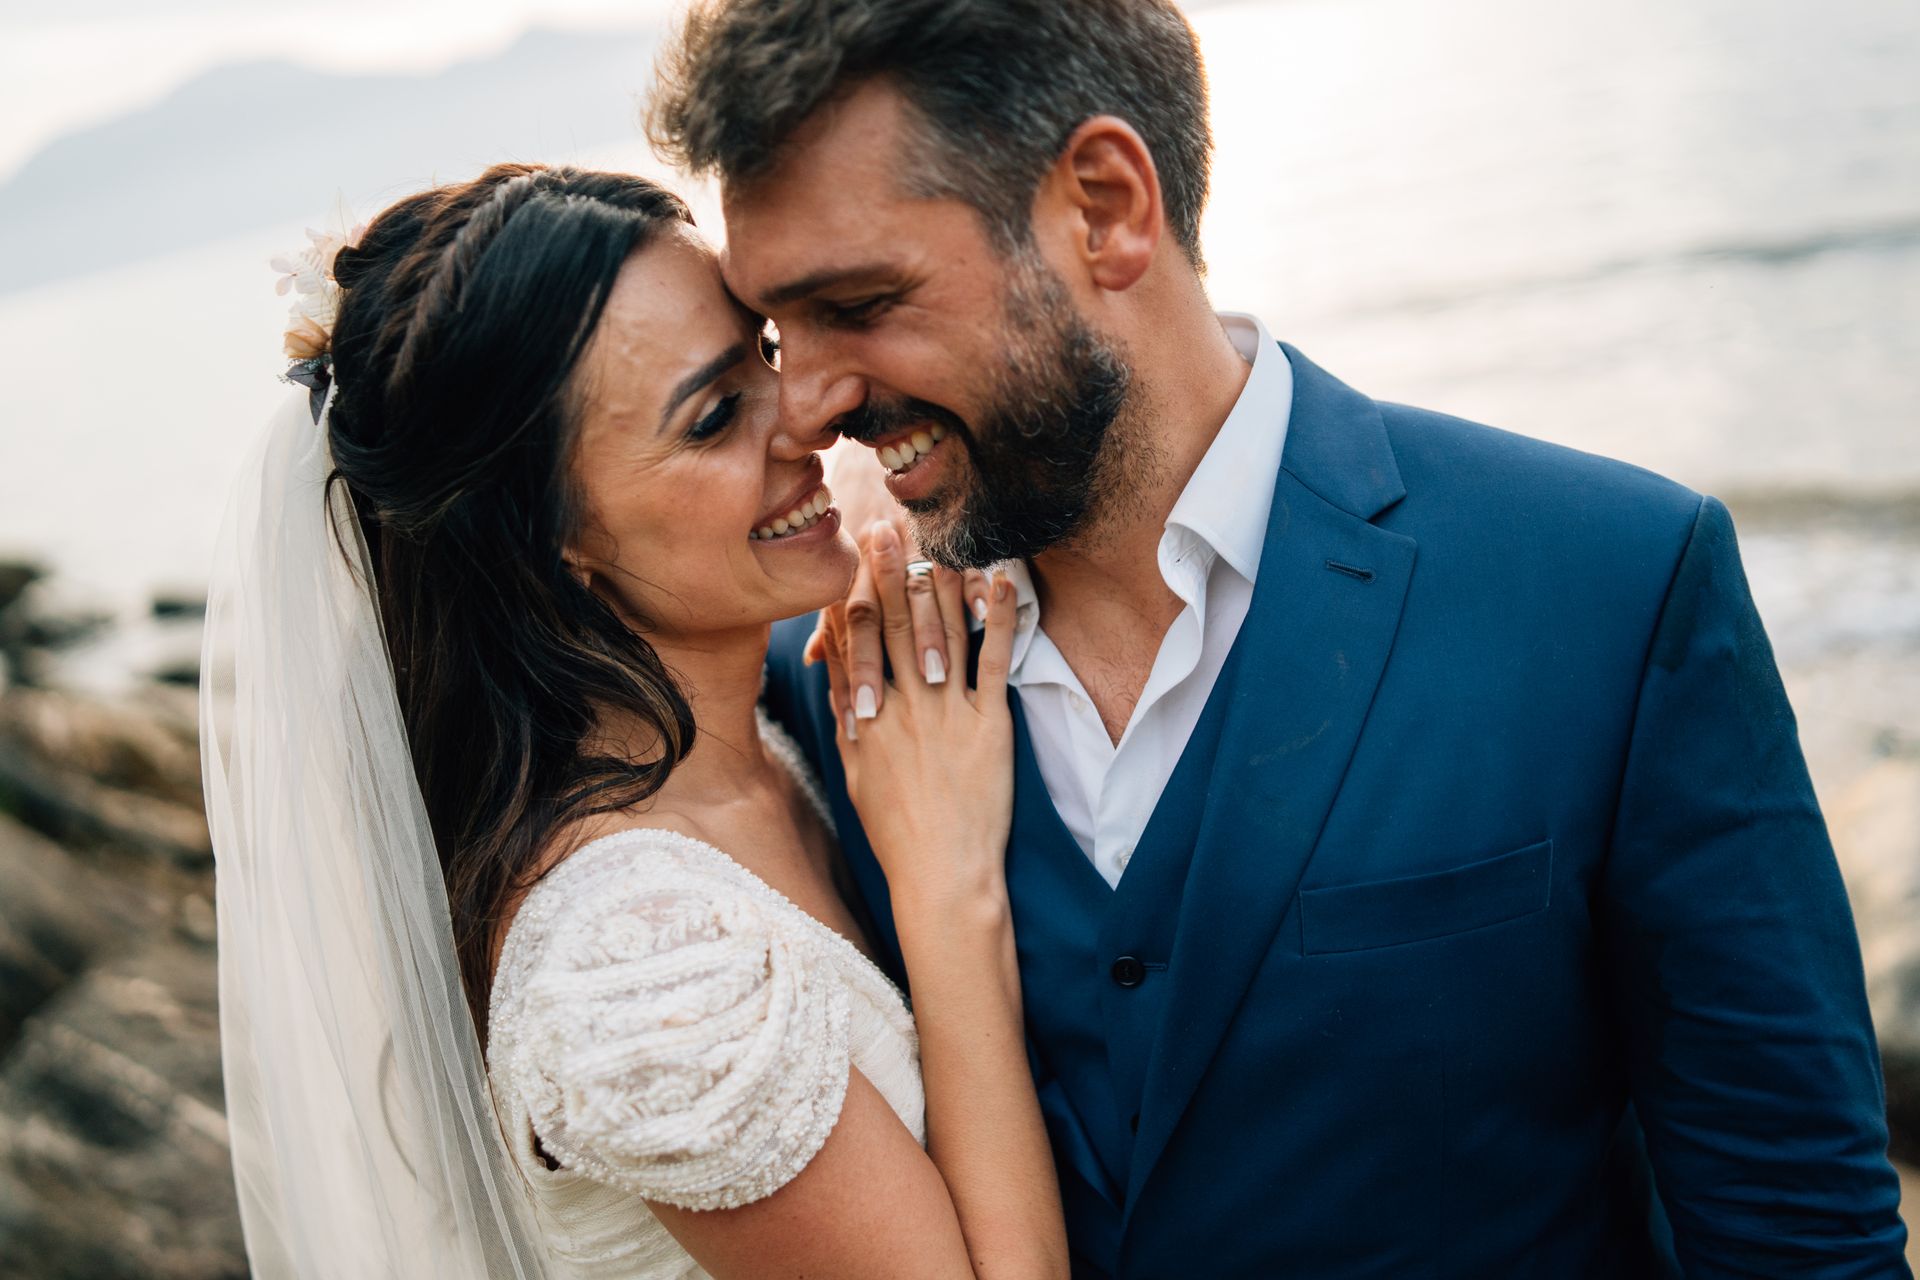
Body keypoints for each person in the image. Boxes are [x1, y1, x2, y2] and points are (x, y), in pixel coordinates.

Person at [646, 1, 1913, 1275]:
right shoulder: (824, 689)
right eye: (770, 334)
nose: (803, 407)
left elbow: (1802, 1236)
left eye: (858, 303)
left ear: (1105, 206)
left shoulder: (1607, 586)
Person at [202, 162, 1071, 1278]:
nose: (806, 410)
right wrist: (949, 884)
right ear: (552, 542)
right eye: (714, 416)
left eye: (765, 352)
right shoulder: (632, 970)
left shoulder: (746, 742)